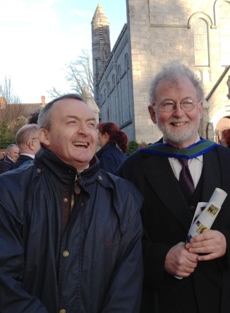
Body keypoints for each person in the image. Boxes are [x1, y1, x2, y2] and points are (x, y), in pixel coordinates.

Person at [117, 62, 230, 313]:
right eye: (167, 104)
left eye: (187, 103)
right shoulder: (132, 171)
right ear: (153, 114)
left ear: (200, 108)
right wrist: (160, 258)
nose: (178, 113)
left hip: (227, 297)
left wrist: (228, 241)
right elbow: (117, 242)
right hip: (164, 301)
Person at [0, 94, 144, 312]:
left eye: (91, 125)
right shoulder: (10, 191)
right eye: (72, 122)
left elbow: (127, 284)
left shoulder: (123, 196)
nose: (85, 131)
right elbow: (5, 281)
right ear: (44, 136)